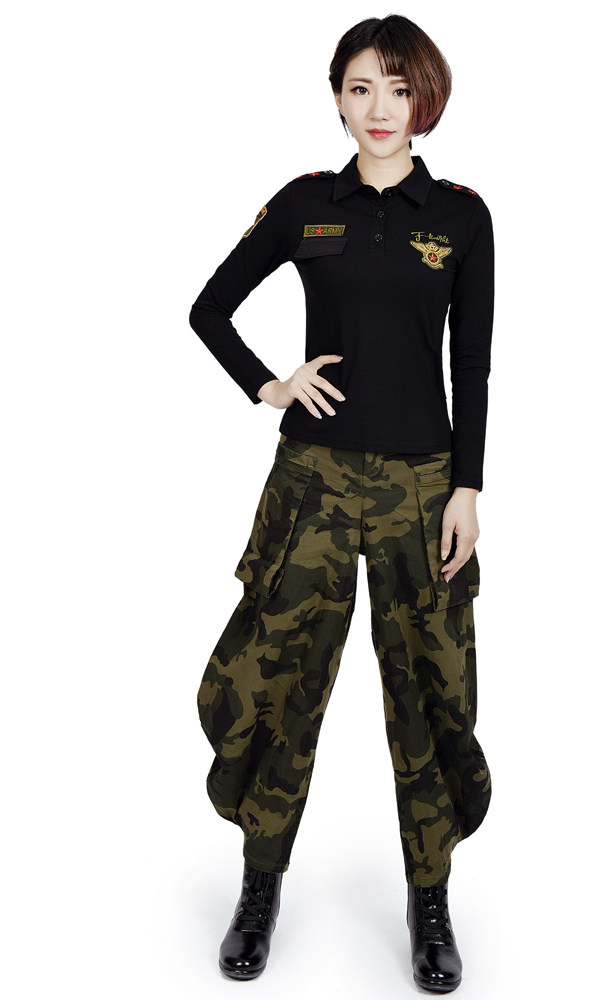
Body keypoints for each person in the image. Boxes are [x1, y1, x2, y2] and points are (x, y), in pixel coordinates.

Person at [189, 14, 494, 992]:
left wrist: (468, 486)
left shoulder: (461, 216)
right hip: (312, 482)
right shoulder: (305, 205)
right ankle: (260, 885)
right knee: (278, 682)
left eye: (399, 89)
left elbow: (472, 362)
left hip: (422, 488)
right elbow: (208, 308)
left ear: (424, 99)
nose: (380, 108)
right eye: (362, 87)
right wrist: (270, 384)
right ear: (337, 97)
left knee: (430, 692)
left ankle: (429, 898)